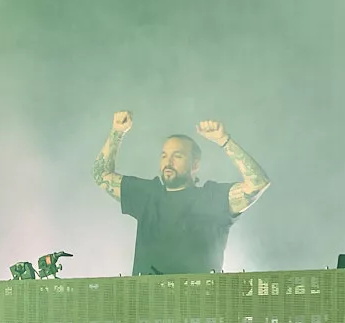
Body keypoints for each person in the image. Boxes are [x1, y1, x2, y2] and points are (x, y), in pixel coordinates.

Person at [92, 110, 271, 275]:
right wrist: (117, 132)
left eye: (177, 156)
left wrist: (225, 141)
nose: (168, 162)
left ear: (195, 165)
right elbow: (101, 174)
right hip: (148, 298)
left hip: (199, 297)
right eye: (164, 155)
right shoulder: (148, 195)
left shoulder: (212, 198)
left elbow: (257, 184)